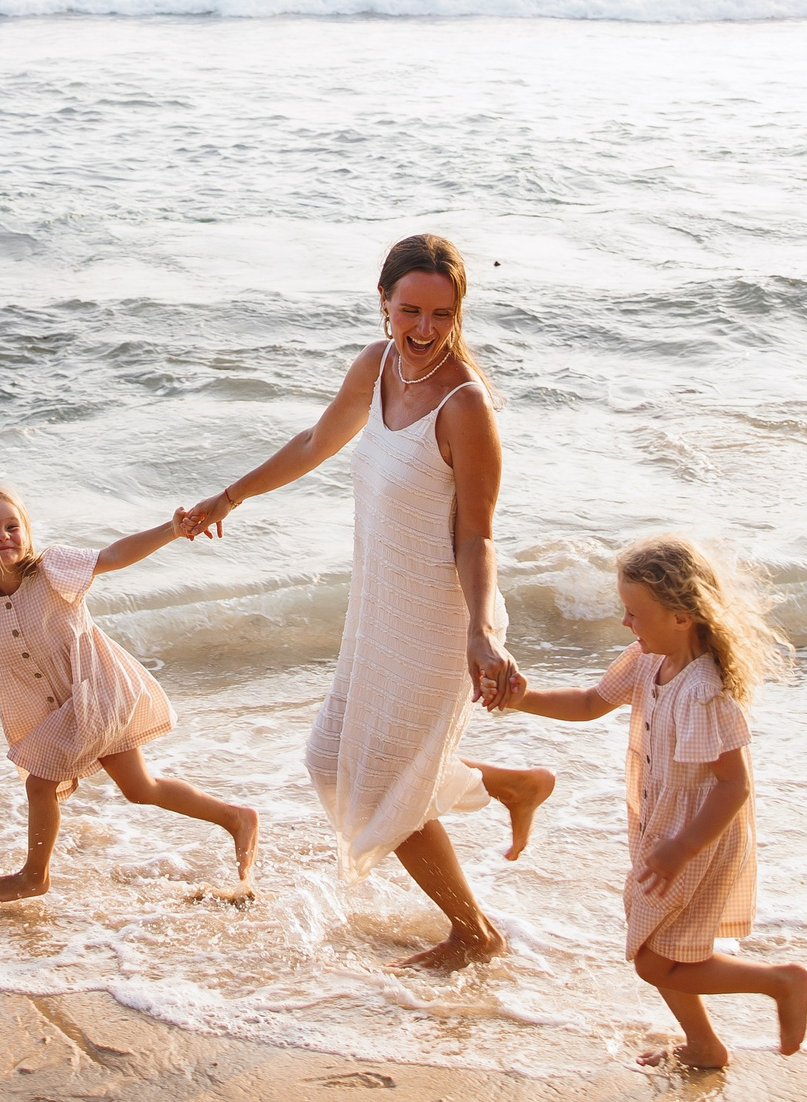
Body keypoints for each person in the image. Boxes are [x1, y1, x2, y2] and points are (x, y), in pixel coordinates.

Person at [181, 233, 553, 968]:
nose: (423, 330)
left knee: (378, 777)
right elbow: (317, 439)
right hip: (380, 608)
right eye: (410, 310)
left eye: (441, 315)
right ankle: (506, 785)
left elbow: (478, 536)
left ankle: (474, 933)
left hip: (443, 618)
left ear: (458, 314)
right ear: (383, 303)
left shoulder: (465, 407)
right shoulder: (376, 364)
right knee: (331, 761)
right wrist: (231, 494)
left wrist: (482, 633)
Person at [0, 485, 260, 902]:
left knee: (40, 785)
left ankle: (34, 875)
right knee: (140, 788)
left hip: (96, 692)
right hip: (58, 710)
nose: (3, 536)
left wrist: (171, 530)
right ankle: (234, 817)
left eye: (11, 526)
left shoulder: (53, 569)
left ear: (26, 531)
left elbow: (112, 556)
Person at [496, 537, 807, 1069]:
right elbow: (592, 702)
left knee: (652, 959)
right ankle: (705, 1045)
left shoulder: (704, 691)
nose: (626, 623)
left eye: (636, 613)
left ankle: (781, 981)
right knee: (662, 947)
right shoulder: (648, 660)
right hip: (663, 832)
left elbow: (734, 786)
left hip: (699, 839)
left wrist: (682, 848)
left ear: (683, 616)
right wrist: (521, 698)